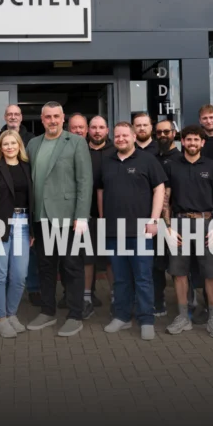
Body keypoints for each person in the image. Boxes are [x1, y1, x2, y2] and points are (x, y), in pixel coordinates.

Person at [25, 101, 92, 338]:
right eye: (47, 117)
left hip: (68, 218)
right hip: (41, 218)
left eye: (56, 116)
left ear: (63, 118)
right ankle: (47, 311)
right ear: (42, 119)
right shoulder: (33, 144)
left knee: (71, 266)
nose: (52, 120)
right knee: (45, 266)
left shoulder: (76, 142)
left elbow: (85, 180)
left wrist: (81, 216)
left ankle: (75, 315)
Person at [99, 122, 166, 341]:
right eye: (117, 136)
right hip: (113, 230)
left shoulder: (147, 160)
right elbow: (100, 191)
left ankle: (146, 319)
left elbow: (159, 189)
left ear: (134, 136)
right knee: (120, 278)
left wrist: (154, 220)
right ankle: (122, 317)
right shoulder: (106, 160)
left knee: (143, 277)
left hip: (141, 230)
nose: (120, 139)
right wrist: (102, 220)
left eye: (125, 135)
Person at [162, 125, 213, 338]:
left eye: (195, 140)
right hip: (179, 224)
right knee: (179, 273)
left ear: (202, 142)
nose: (191, 143)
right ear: (183, 142)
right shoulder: (172, 166)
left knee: (211, 273)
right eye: (188, 140)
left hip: (207, 223)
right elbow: (166, 200)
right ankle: (183, 317)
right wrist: (168, 227)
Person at [0, 130, 33, 338]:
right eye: (6, 144)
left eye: (13, 143)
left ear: (19, 145)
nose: (10, 147)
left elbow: (33, 199)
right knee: (0, 274)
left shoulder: (27, 168)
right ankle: (1, 319)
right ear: (0, 148)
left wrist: (33, 231)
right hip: (0, 226)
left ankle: (12, 314)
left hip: (23, 224)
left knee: (20, 275)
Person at [65, 113, 95, 318]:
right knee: (70, 258)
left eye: (81, 127)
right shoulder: (64, 150)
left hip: (94, 215)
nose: (78, 131)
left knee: (90, 257)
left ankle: (87, 296)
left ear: (87, 129)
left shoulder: (103, 151)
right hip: (71, 215)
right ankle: (71, 295)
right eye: (74, 127)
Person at [151, 119, 182, 317]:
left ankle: (186, 302)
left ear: (174, 133)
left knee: (180, 265)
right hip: (157, 221)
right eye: (159, 132)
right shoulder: (152, 158)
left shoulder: (181, 158)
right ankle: (158, 299)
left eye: (166, 132)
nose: (162, 135)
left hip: (178, 220)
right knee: (157, 264)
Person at [88, 115, 115, 310]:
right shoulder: (79, 150)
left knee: (111, 259)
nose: (97, 131)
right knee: (86, 258)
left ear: (107, 130)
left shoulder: (116, 151)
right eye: (94, 127)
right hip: (85, 214)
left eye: (101, 127)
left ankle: (116, 296)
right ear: (88, 130)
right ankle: (87, 297)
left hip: (113, 215)